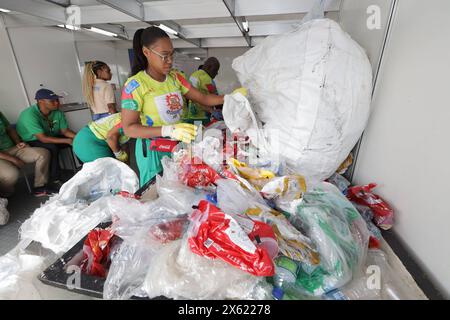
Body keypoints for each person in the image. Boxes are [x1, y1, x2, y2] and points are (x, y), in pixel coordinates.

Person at [121, 27, 226, 187]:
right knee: (156, 193)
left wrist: (229, 98)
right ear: (146, 52)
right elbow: (129, 128)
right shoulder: (135, 85)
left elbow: (203, 98)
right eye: (164, 56)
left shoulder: (176, 77)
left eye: (171, 55)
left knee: (182, 189)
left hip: (178, 146)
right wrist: (168, 130)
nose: (169, 60)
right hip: (153, 151)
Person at [16, 89, 77, 183]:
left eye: (57, 100)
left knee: (78, 141)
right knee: (52, 147)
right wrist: (67, 140)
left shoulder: (58, 112)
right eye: (52, 101)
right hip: (32, 140)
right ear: (41, 101)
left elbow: (65, 131)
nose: (56, 103)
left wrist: (78, 137)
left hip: (50, 136)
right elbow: (42, 138)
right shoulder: (29, 114)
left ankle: (88, 167)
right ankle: (55, 178)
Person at [0, 111, 53, 197]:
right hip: (1, 156)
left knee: (43, 153)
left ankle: (40, 187)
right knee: (11, 175)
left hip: (13, 148)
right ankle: (5, 193)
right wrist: (14, 160)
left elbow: (10, 129)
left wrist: (18, 142)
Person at [187, 57, 222, 124]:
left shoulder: (194, 76)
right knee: (202, 134)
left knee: (198, 134)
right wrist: (212, 110)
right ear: (209, 68)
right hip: (200, 118)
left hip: (194, 116)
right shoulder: (207, 79)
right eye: (215, 70)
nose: (216, 73)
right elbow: (215, 97)